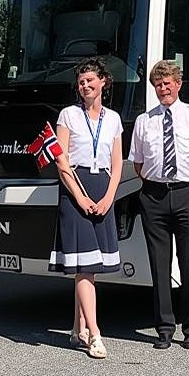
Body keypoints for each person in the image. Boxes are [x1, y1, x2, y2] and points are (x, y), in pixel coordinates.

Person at [128, 60, 189, 350]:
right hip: (153, 196)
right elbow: (138, 163)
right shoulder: (144, 121)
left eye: (167, 83)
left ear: (178, 84)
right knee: (159, 263)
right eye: (158, 84)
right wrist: (157, 183)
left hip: (187, 194)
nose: (163, 88)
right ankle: (164, 327)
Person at [49, 58, 124, 359]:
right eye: (81, 82)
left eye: (90, 80)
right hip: (75, 190)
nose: (85, 86)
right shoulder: (68, 115)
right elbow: (60, 159)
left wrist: (108, 197)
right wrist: (80, 198)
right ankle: (95, 333)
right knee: (85, 267)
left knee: (91, 265)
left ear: (103, 82)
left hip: (102, 187)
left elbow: (117, 162)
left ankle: (77, 327)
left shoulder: (114, 119)